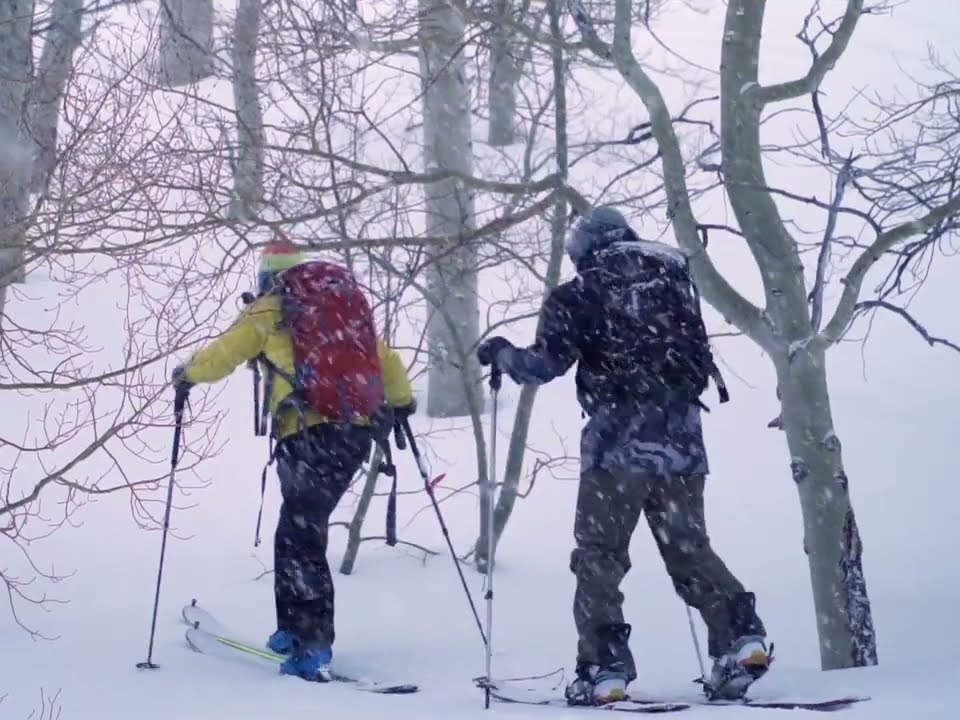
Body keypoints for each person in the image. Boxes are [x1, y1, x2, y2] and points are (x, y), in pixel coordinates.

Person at [475, 207, 772, 706]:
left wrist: (502, 353)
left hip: (617, 446)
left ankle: (603, 668)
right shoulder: (674, 284)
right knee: (688, 549)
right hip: (681, 442)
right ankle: (742, 638)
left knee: (600, 557)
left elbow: (543, 365)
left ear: (584, 250)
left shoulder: (579, 294)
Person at [172, 239, 416, 683]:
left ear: (266, 277)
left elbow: (224, 352)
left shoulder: (269, 309)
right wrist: (400, 404)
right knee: (297, 530)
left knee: (300, 537)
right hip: (353, 436)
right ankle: (291, 629)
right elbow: (386, 358)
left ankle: (313, 645)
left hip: (307, 436)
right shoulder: (336, 309)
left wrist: (187, 373)